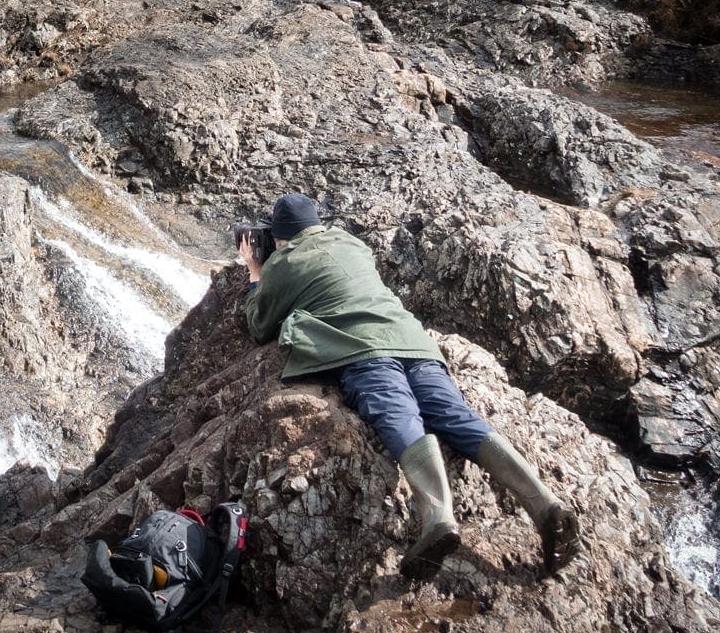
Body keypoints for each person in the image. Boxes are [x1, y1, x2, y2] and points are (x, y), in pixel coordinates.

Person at [239, 193, 581, 580]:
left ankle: (438, 519)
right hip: (414, 341)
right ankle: (546, 505)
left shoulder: (284, 261)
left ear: (280, 236)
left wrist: (255, 273)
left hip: (363, 346)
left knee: (399, 416)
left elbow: (259, 325)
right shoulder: (352, 243)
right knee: (456, 416)